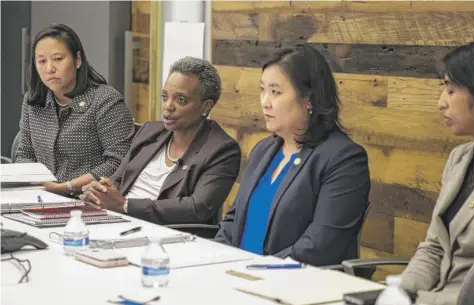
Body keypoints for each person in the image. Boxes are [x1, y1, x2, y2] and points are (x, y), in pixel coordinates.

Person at [213, 45, 370, 266]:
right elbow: (232, 222)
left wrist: (256, 270)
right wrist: (214, 261)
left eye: (275, 92)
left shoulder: (343, 159)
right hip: (239, 275)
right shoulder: (263, 150)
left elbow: (320, 246)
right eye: (262, 90)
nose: (264, 101)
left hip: (294, 285)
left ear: (309, 99)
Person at [400, 40, 474, 305]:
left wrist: (425, 302)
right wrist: (399, 293)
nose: (441, 103)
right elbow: (433, 248)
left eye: (451, 91)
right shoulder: (459, 158)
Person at [80, 57, 241, 226]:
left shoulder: (222, 150)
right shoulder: (150, 131)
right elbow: (117, 180)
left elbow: (197, 208)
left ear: (206, 106)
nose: (167, 106)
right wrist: (98, 191)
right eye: (165, 97)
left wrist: (125, 205)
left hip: (165, 233)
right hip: (116, 221)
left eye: (181, 100)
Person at [15, 24, 134, 197]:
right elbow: (24, 153)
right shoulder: (33, 100)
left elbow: (120, 161)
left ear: (77, 60)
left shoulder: (105, 100)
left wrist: (66, 187)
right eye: (41, 61)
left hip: (89, 200)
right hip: (42, 197)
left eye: (57, 59)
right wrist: (36, 183)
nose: (49, 69)